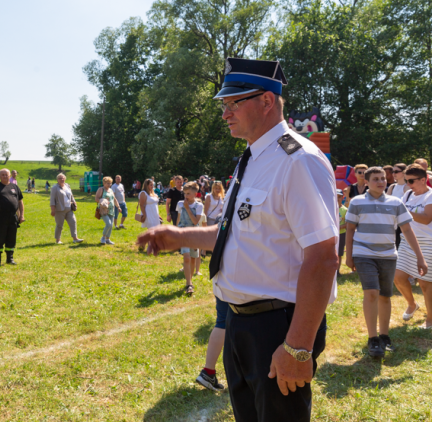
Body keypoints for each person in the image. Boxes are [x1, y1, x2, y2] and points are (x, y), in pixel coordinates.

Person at [139, 57, 339, 422]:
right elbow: (233, 233)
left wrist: (297, 347)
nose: (224, 113)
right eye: (224, 105)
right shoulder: (251, 159)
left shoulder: (298, 160)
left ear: (266, 101)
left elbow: (324, 256)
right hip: (240, 324)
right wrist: (179, 235)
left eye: (234, 103)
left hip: (279, 327)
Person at [345, 166, 426, 358]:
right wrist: (349, 256)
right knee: (372, 292)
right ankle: (373, 339)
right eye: (376, 179)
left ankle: (384, 336)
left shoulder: (396, 203)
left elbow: (407, 230)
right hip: (364, 254)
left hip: (389, 255)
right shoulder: (357, 202)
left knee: (385, 296)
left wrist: (420, 257)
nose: (381, 182)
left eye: (383, 178)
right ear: (366, 182)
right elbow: (349, 230)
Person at [394, 163, 432, 328]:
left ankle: (430, 320)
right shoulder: (408, 194)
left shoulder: (430, 196)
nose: (408, 185)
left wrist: (405, 212)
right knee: (397, 277)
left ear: (424, 180)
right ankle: (412, 304)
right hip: (407, 242)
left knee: (425, 283)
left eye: (411, 181)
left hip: (427, 243)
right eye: (407, 181)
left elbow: (426, 218)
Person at [0, 168, 24, 266]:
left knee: (11, 238)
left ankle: (10, 258)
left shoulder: (15, 187)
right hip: (0, 217)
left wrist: (22, 215)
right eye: (2, 174)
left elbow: (20, 201)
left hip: (12, 217)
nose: (4, 176)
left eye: (6, 174)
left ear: (9, 175)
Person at [196, 296, 229, 392]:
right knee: (226, 322)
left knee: (223, 321)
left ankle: (208, 372)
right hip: (236, 285)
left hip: (220, 283)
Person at [176, 182, 204, 295]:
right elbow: (179, 219)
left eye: (188, 194)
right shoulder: (180, 203)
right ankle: (189, 283)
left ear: (195, 194)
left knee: (193, 258)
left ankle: (190, 280)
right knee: (186, 258)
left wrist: (187, 208)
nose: (185, 196)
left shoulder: (199, 206)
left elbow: (196, 221)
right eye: (184, 193)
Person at [49, 173, 83, 244]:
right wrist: (53, 210)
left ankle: (75, 238)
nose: (62, 179)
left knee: (73, 222)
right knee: (59, 225)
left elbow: (71, 195)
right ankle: (58, 240)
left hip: (69, 208)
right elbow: (52, 199)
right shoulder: (55, 188)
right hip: (59, 209)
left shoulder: (67, 186)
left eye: (63, 178)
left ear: (65, 178)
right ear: (57, 180)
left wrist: (74, 202)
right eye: (60, 178)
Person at [137, 179, 161, 252]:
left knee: (155, 231)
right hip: (148, 213)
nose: (152, 186)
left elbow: (155, 205)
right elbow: (141, 205)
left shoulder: (153, 193)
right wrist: (144, 215)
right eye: (151, 184)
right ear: (147, 185)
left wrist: (158, 215)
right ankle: (150, 247)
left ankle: (143, 243)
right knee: (152, 231)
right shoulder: (143, 193)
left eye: (153, 184)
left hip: (155, 214)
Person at [95, 176, 120, 245]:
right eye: (108, 183)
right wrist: (102, 200)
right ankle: (103, 238)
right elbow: (96, 198)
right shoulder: (101, 189)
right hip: (103, 210)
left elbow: (114, 199)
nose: (109, 185)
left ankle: (108, 239)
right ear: (104, 183)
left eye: (110, 183)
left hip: (112, 209)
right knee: (108, 224)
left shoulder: (111, 190)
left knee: (111, 225)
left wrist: (118, 206)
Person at [337, 190, 348, 274]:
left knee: (339, 253)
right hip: (332, 235)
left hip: (341, 234)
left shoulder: (345, 210)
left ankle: (337, 271)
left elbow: (347, 224)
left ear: (342, 198)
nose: (337, 199)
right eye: (335, 197)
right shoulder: (329, 209)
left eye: (339, 197)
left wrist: (339, 227)